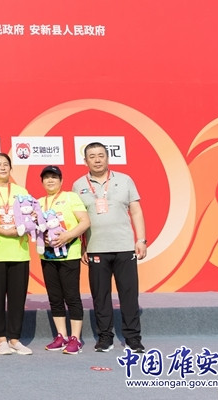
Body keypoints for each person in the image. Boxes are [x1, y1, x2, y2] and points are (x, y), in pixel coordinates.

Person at [72, 142, 147, 353]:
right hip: (96, 247)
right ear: (85, 161)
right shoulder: (78, 185)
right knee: (100, 296)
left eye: (101, 155)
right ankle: (105, 337)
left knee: (129, 294)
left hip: (124, 247)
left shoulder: (125, 180)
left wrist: (141, 240)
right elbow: (77, 219)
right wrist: (82, 246)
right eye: (92, 156)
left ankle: (133, 338)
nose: (97, 160)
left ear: (107, 157)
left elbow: (136, 211)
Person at [0, 152, 33, 355]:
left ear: (11, 168)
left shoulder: (21, 191)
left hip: (19, 251)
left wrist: (21, 229)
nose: (3, 167)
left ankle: (15, 338)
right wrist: (2, 231)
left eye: (6, 164)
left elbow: (30, 216)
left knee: (17, 297)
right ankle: (1, 338)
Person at [37, 165, 90, 355]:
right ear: (42, 182)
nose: (50, 180)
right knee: (55, 297)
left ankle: (75, 338)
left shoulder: (70, 197)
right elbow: (34, 228)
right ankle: (61, 336)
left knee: (71, 296)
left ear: (61, 180)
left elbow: (85, 221)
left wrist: (68, 236)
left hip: (69, 254)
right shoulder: (38, 202)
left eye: (54, 177)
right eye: (47, 177)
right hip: (48, 255)